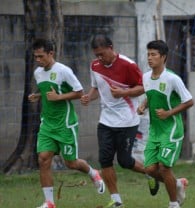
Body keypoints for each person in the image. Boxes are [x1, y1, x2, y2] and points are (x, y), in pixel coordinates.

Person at [80, 34, 158, 208]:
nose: (100, 58)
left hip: (127, 122)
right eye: (96, 55)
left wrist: (124, 93)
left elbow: (143, 87)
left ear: (111, 47)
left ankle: (149, 173)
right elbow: (96, 88)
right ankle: (117, 201)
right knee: (105, 160)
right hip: (105, 122)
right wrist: (88, 97)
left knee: (125, 161)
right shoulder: (95, 66)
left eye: (102, 53)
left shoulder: (128, 65)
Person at [29, 38, 105, 208]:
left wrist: (59, 98)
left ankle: (93, 173)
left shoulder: (64, 71)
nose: (38, 60)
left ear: (51, 53)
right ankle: (49, 202)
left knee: (70, 162)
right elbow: (47, 91)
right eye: (35, 57)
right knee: (43, 159)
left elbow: (79, 92)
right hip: (47, 124)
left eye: (41, 56)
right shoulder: (38, 73)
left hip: (65, 125)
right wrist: (38, 95)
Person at [137, 40, 193, 208]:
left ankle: (173, 203)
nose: (150, 58)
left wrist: (169, 113)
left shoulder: (172, 78)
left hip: (171, 130)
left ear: (163, 57)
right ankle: (177, 184)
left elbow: (189, 101)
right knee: (149, 169)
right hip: (155, 130)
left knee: (163, 167)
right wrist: (143, 105)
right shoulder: (146, 77)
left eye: (154, 54)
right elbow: (150, 94)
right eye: (148, 54)